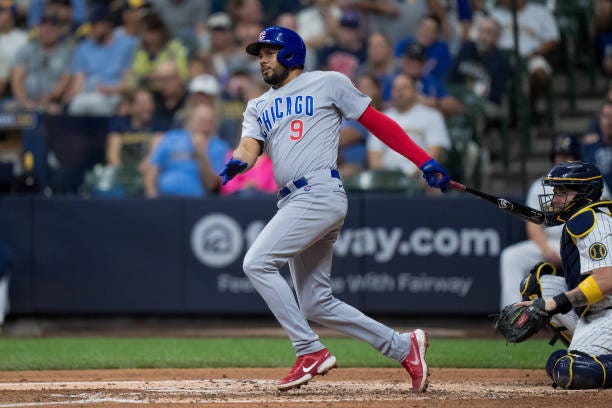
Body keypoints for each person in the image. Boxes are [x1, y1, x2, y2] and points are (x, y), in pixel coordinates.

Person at [218, 26, 450, 392]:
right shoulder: (257, 104)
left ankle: (308, 350)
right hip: (293, 200)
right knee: (315, 303)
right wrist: (238, 162)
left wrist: (424, 161)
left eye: (268, 51)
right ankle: (404, 347)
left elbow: (380, 124)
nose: (261, 59)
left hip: (319, 191)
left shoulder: (328, 82)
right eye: (258, 53)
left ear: (291, 53)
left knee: (256, 262)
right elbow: (249, 145)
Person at [515, 161, 612, 389]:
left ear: (585, 194)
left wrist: (554, 304)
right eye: (556, 191)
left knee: (570, 370)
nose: (556, 198)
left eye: (563, 191)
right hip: (592, 310)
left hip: (608, 311)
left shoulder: (594, 221)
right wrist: (548, 302)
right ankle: (588, 347)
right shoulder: (581, 219)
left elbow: (606, 279)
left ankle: (589, 352)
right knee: (536, 285)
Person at [499, 134, 581, 309]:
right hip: (551, 243)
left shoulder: (591, 183)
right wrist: (546, 249)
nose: (562, 160)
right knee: (511, 257)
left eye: (567, 156)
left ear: (576, 158)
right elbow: (533, 223)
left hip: (581, 243)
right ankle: (514, 313)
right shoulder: (540, 185)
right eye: (559, 156)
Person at [367, 73, 450, 195]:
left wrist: (415, 176)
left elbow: (435, 152)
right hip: (388, 180)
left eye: (404, 88)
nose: (399, 93)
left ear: (414, 91)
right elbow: (374, 159)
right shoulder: (381, 118)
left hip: (420, 178)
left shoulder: (432, 116)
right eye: (395, 89)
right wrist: (388, 180)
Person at [66, 3, 136, 115]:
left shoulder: (126, 45)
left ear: (107, 24)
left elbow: (128, 82)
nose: (92, 28)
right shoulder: (84, 47)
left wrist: (109, 89)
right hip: (87, 96)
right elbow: (79, 80)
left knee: (93, 104)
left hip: (113, 96)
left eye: (95, 24)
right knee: (77, 104)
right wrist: (74, 92)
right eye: (91, 24)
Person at [145, 103, 229, 198]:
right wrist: (151, 193)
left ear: (213, 124)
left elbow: (212, 185)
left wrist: (201, 154)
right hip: (164, 198)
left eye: (208, 121)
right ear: (191, 120)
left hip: (198, 201)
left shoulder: (219, 147)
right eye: (200, 120)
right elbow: (153, 167)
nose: (203, 125)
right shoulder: (172, 137)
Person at [9, 12, 73, 114]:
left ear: (59, 31)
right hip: (25, 100)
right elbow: (17, 78)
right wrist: (24, 101)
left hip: (53, 102)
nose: (47, 32)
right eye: (44, 27)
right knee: (9, 108)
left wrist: (49, 98)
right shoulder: (27, 49)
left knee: (55, 111)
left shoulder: (66, 52)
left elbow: (65, 80)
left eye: (52, 29)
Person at [449, 17, 510, 114]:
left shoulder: (501, 61)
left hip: (484, 103)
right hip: (459, 97)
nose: (483, 36)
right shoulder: (467, 48)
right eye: (481, 31)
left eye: (489, 32)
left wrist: (473, 95)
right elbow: (452, 75)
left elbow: (495, 94)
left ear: (497, 37)